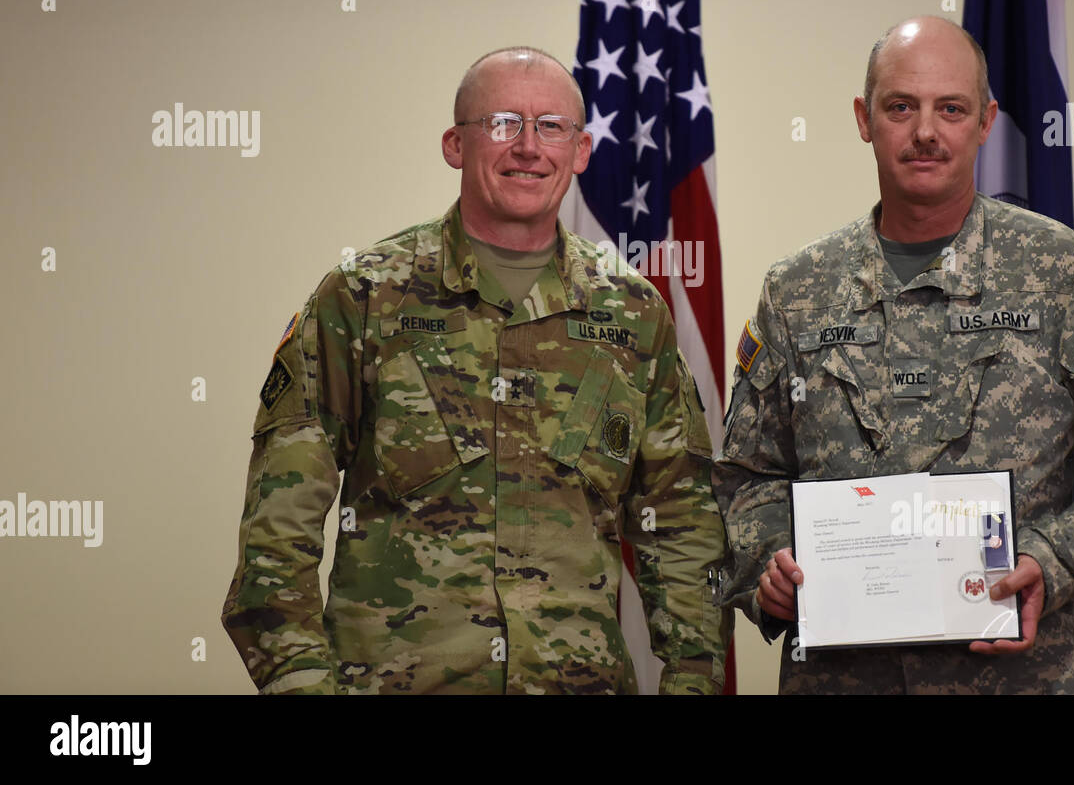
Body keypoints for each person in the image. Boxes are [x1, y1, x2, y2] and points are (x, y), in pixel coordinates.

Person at [222, 46, 730, 694]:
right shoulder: (365, 297)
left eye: (551, 126)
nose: (526, 146)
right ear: (454, 144)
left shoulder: (633, 317)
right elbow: (277, 536)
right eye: (500, 123)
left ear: (580, 151)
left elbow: (684, 533)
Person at [712, 16, 1074, 694]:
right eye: (901, 106)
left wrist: (1055, 559)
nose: (925, 132)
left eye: (951, 108)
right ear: (864, 118)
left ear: (985, 120)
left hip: (1024, 679)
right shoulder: (797, 292)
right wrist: (769, 564)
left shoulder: (1060, 271)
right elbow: (745, 474)